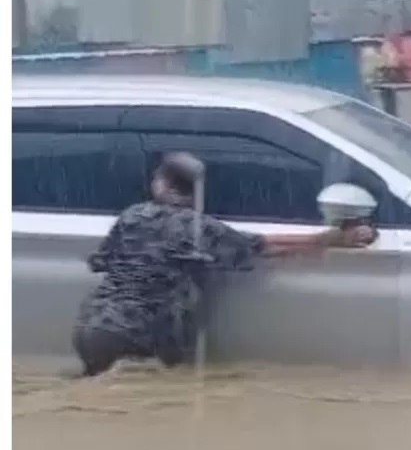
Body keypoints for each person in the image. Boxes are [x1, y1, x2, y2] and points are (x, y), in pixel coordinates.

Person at [72, 153, 376, 377]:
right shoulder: (197, 228)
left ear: (161, 184)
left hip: (92, 328)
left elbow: (100, 261)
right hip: (139, 338)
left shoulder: (131, 216)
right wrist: (333, 238)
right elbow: (264, 247)